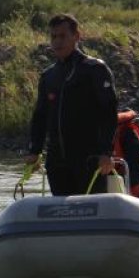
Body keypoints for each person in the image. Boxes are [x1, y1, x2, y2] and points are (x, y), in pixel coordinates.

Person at [24, 14, 119, 196]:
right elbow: (40, 116)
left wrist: (106, 152)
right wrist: (34, 150)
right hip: (57, 161)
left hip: (89, 159)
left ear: (76, 36)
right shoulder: (48, 76)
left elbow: (108, 113)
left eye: (62, 36)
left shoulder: (95, 69)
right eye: (53, 37)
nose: (57, 41)